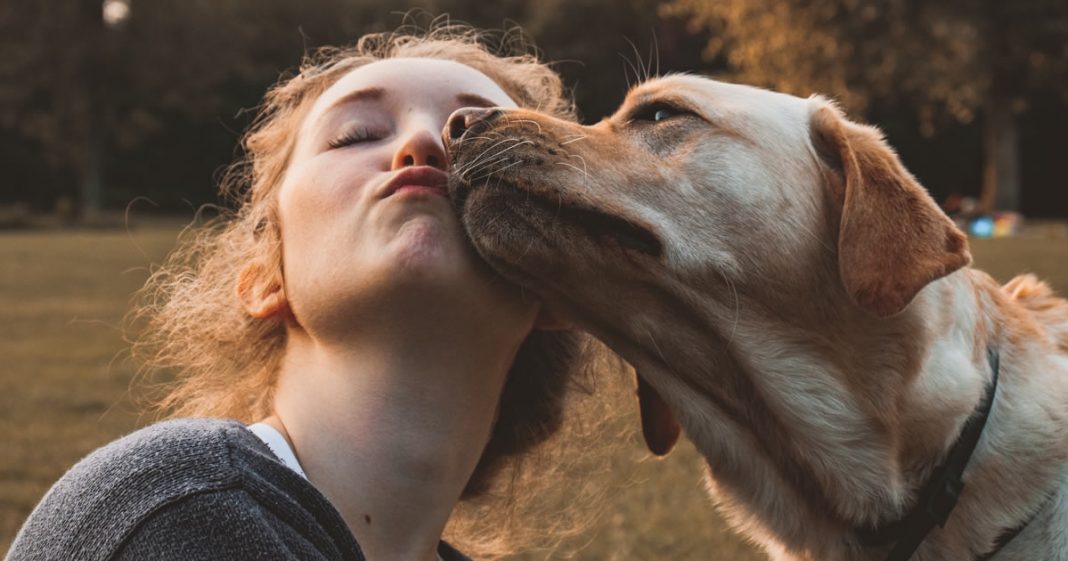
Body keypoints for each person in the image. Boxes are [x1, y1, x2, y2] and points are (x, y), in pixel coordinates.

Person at [7, 25, 594, 561]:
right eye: (355, 135)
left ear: (556, 288)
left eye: (486, 138)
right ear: (267, 276)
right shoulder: (179, 510)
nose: (424, 140)